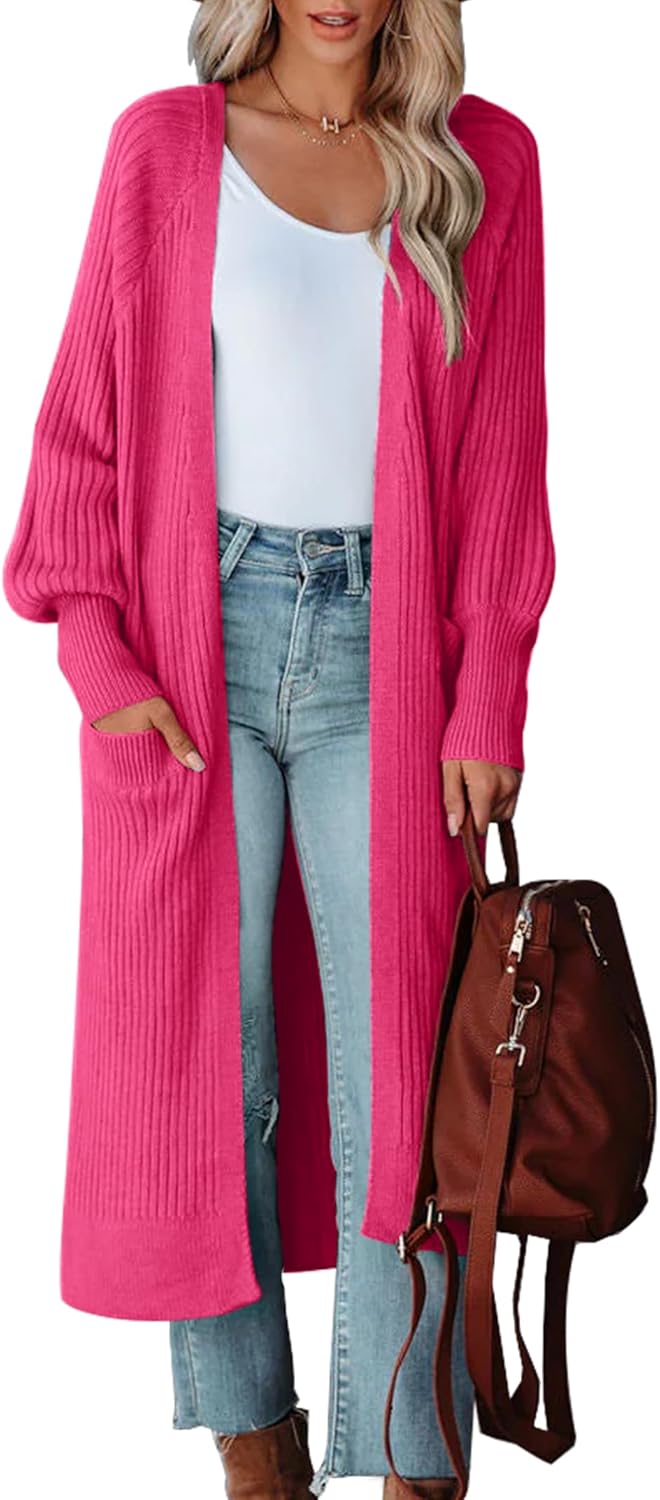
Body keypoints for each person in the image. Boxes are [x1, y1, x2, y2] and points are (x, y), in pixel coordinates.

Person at [2, 2, 555, 1498]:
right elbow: (81, 429)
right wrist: (103, 663)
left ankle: (413, 1451)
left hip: (393, 649)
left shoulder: (482, 164)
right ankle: (257, 1451)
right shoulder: (162, 152)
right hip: (198, 643)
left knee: (406, 1072)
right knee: (209, 1059)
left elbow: (506, 455)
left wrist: (489, 697)